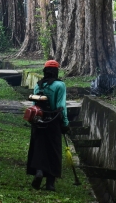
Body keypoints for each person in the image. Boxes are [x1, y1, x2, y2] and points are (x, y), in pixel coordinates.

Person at [26, 59, 69, 192]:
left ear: (45, 71)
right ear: (56, 71)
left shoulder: (38, 85)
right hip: (53, 122)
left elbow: (34, 105)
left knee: (39, 149)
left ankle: (39, 172)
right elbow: (61, 106)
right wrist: (65, 123)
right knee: (53, 151)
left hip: (38, 121)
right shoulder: (60, 85)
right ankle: (50, 184)